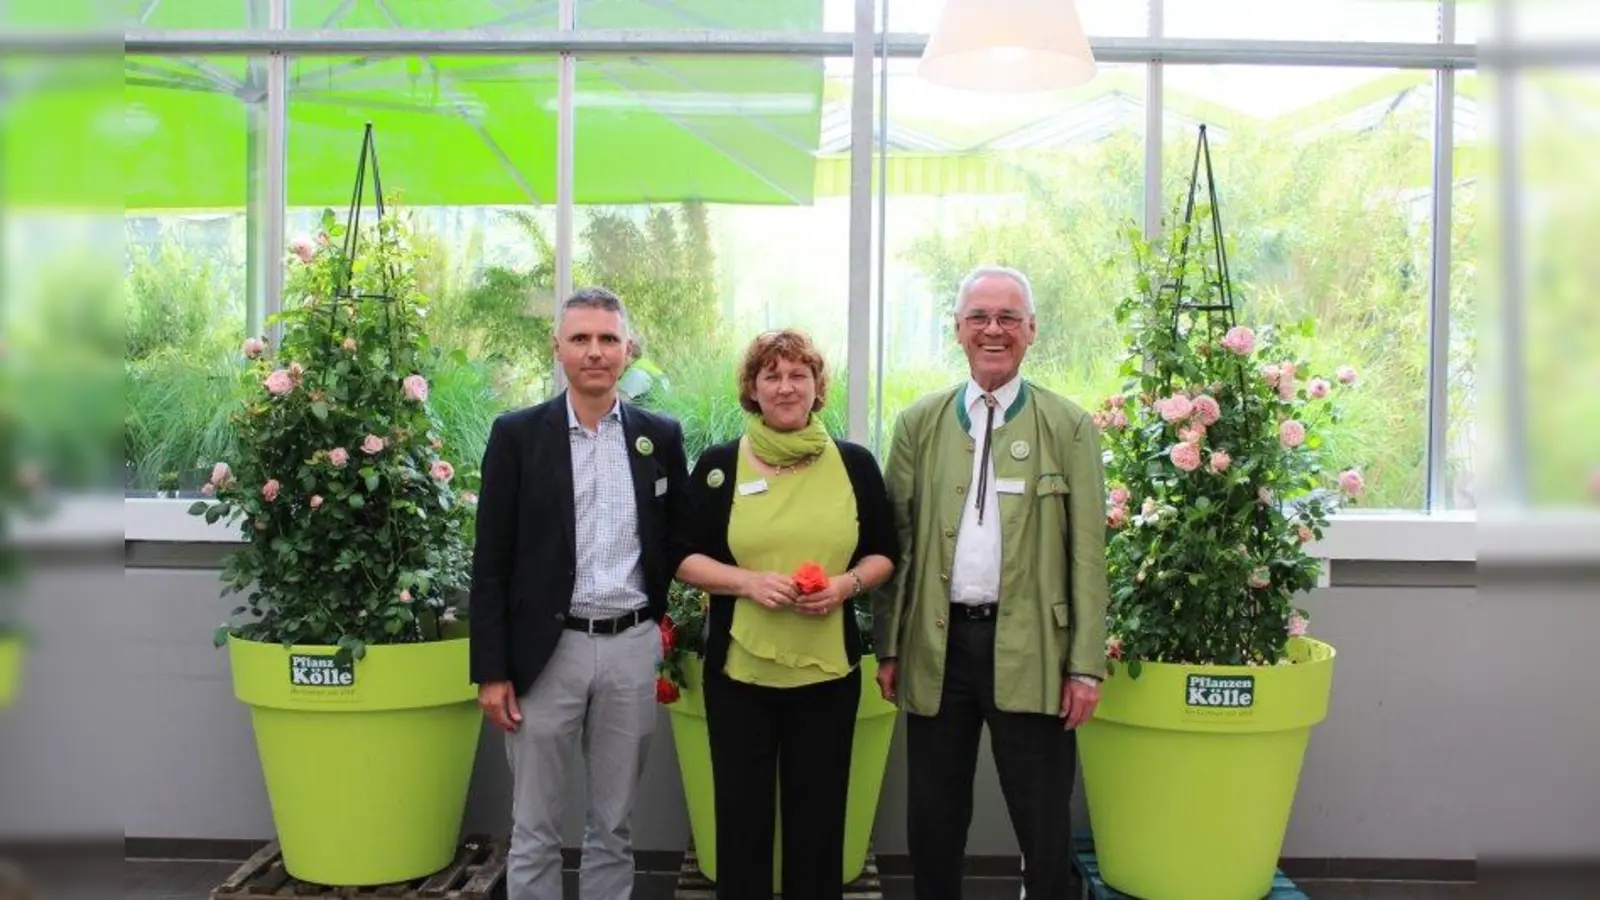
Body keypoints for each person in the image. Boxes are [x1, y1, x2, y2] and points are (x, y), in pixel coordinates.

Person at [873, 266, 1110, 900]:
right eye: (979, 317)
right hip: (937, 650)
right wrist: (890, 646)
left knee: (1044, 821)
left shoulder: (1069, 425)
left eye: (1008, 317)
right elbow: (895, 542)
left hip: (1034, 652)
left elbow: (1089, 553)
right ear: (958, 330)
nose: (993, 330)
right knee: (933, 820)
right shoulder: (918, 424)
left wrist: (1085, 665)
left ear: (1031, 330)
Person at [468, 287, 691, 900]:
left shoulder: (659, 437)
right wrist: (491, 669)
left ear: (628, 350)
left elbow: (676, 539)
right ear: (558, 348)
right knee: (534, 827)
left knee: (613, 825)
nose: (596, 352)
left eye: (608, 339)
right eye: (581, 339)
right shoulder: (517, 436)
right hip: (546, 653)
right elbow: (490, 560)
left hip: (630, 648)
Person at [671, 329, 898, 900]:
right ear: (752, 388)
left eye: (798, 374)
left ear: (818, 386)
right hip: (739, 676)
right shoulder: (721, 465)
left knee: (819, 825)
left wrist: (845, 586)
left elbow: (885, 553)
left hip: (826, 674)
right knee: (741, 823)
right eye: (771, 375)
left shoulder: (855, 464)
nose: (785, 385)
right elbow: (682, 557)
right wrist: (746, 582)